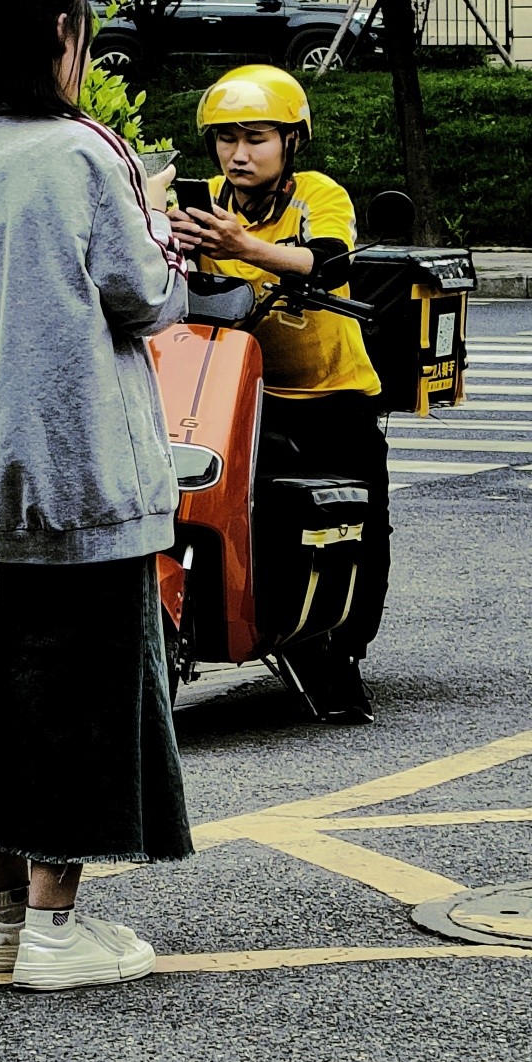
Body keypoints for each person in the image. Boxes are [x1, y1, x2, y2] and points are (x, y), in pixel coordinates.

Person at [0, 0, 193, 992]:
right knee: (78, 703)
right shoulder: (81, 154)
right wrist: (156, 214)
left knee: (6, 699)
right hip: (88, 475)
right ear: (58, 39)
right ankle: (58, 935)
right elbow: (149, 294)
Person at [167, 63, 389, 725]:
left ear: (290, 141)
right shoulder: (201, 197)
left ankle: (344, 650)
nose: (238, 153)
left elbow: (328, 259)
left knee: (358, 519)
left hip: (331, 391)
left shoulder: (318, 194)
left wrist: (245, 247)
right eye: (226, 139)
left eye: (256, 138)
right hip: (234, 389)